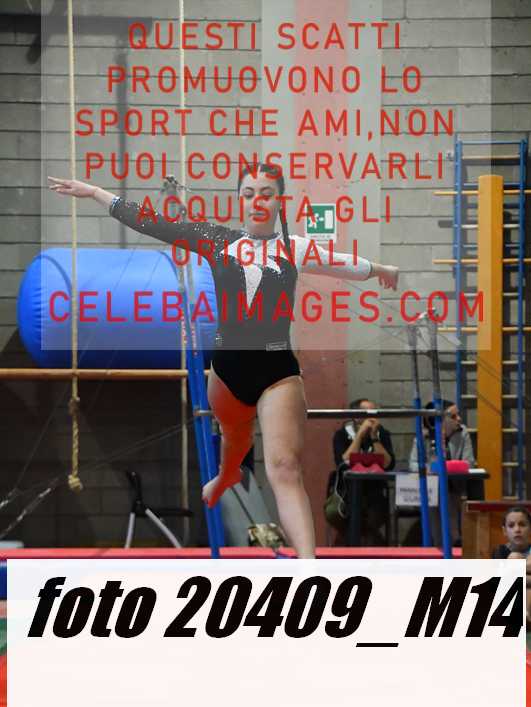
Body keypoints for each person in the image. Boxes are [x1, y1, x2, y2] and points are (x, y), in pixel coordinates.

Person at [48, 165, 399, 558]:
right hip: (228, 370)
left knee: (284, 467)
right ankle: (227, 474)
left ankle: (307, 564)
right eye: (248, 193)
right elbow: (154, 223)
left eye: (266, 193)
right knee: (235, 440)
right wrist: (96, 193)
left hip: (277, 370)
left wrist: (382, 270)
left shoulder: (293, 247)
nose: (257, 201)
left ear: (279, 201)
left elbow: (341, 262)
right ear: (240, 200)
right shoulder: (217, 240)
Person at [408, 401, 475, 546]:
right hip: (430, 490)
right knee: (438, 499)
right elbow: (413, 464)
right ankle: (442, 542)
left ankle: (451, 541)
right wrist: (431, 467)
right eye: (453, 416)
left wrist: (446, 467)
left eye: (458, 415)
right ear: (439, 420)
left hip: (455, 487)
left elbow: (469, 462)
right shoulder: (422, 436)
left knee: (448, 499)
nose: (459, 419)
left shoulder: (462, 433)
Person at [331, 398, 395, 546]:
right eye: (368, 413)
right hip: (346, 494)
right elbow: (343, 463)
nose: (372, 418)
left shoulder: (382, 434)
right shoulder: (341, 435)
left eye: (374, 413)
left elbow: (388, 464)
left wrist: (374, 437)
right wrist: (359, 435)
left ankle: (365, 549)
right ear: (355, 416)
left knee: (370, 521)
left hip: (375, 493)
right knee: (352, 520)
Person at [493, 507, 531, 628]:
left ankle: (526, 616)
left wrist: (514, 571)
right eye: (511, 525)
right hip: (510, 600)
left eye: (522, 525)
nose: (517, 529)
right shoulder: (500, 551)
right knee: (514, 557)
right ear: (504, 531)